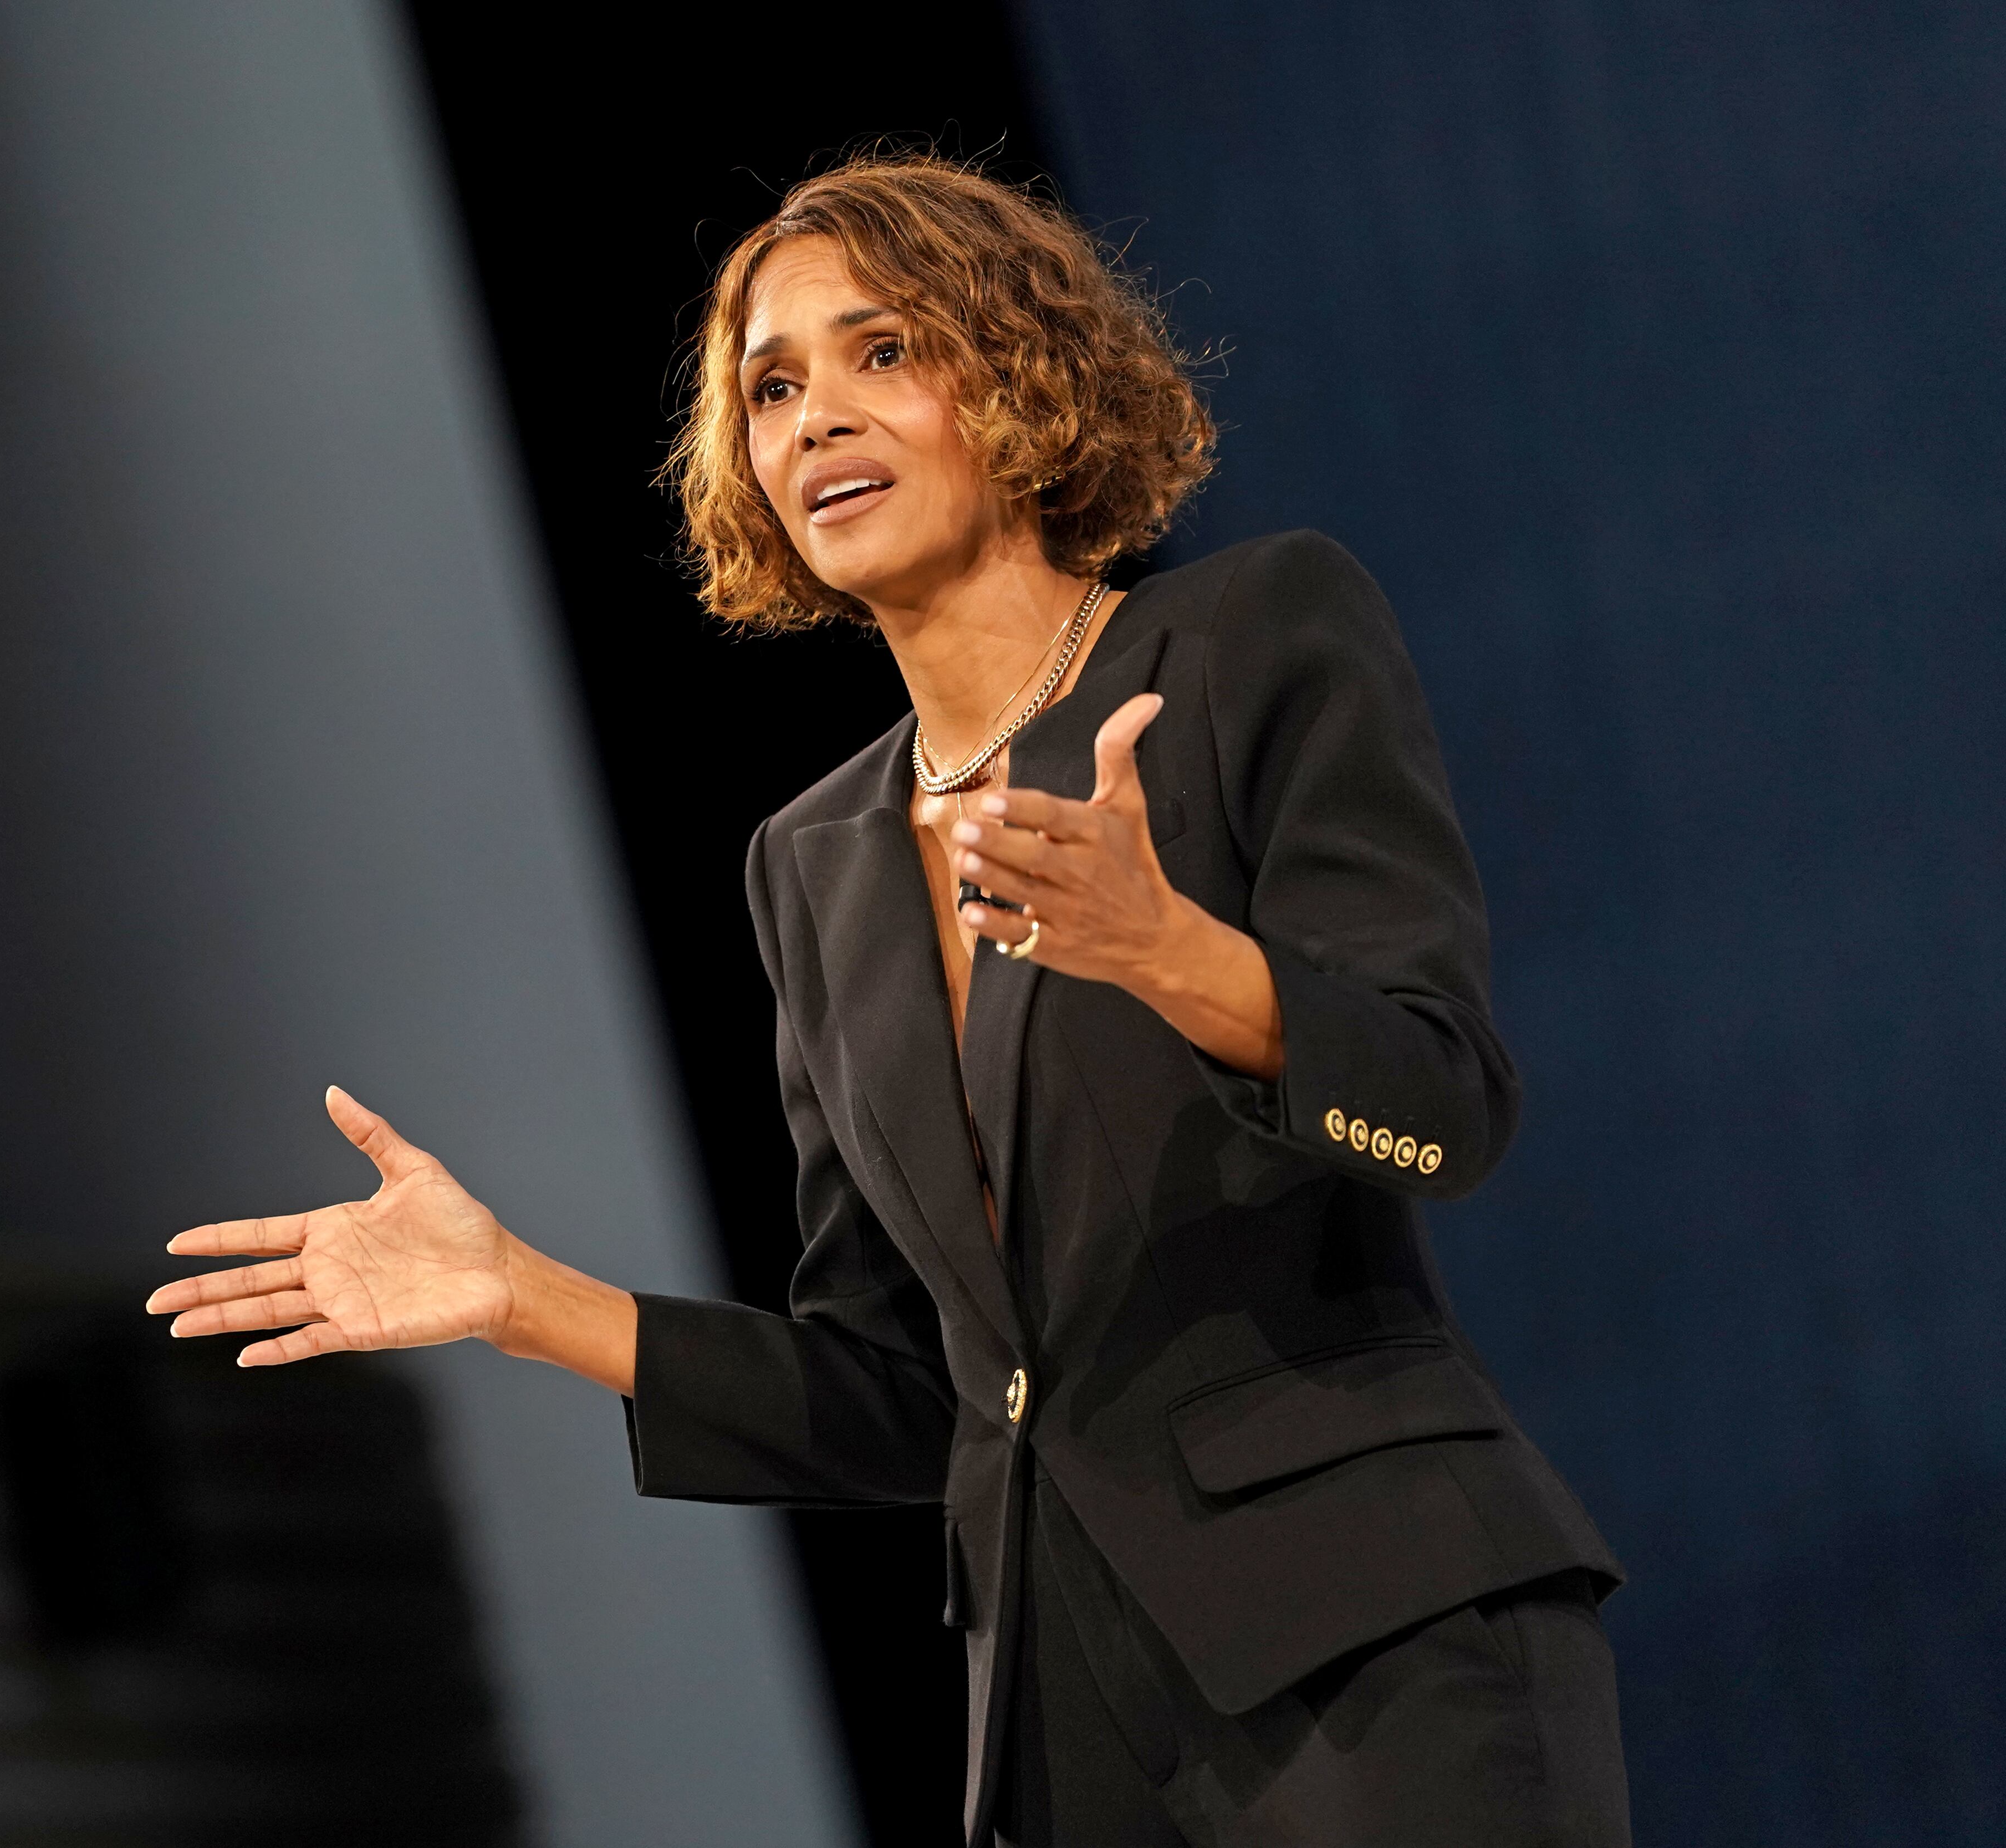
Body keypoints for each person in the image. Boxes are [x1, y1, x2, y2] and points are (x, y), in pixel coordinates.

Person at [147, 154, 1628, 1846]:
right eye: (772, 388)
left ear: (1018, 378)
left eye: (883, 354)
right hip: (1067, 1731)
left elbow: (1440, 1101)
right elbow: (910, 1393)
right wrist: (519, 1297)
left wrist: (1167, 950)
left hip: (1378, 1638)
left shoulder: (1245, 640)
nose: (816, 420)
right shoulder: (813, 863)